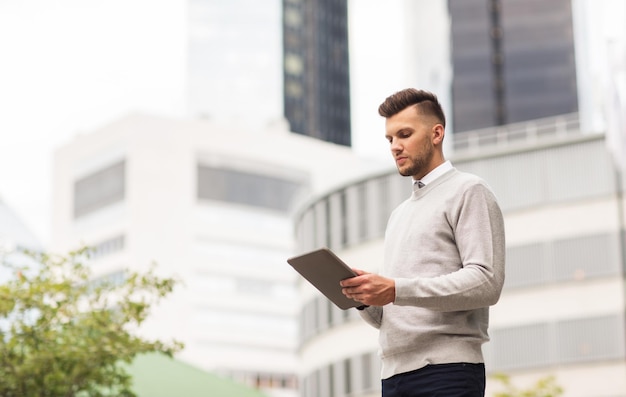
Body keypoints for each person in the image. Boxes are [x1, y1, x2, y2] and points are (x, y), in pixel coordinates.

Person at [340, 88, 505, 397]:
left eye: (404, 134)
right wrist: (364, 296)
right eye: (390, 139)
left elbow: (487, 281)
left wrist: (395, 288)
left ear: (436, 133)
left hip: (447, 373)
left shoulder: (469, 191)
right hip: (394, 377)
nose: (395, 146)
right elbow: (397, 311)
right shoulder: (398, 215)